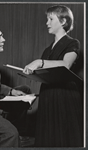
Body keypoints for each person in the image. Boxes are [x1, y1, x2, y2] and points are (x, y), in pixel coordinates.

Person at [23, 5, 83, 147]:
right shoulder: (47, 49)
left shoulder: (73, 43)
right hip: (48, 95)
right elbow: (45, 74)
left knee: (64, 137)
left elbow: (65, 65)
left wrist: (39, 62)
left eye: (50, 19)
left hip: (64, 95)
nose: (46, 23)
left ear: (63, 21)